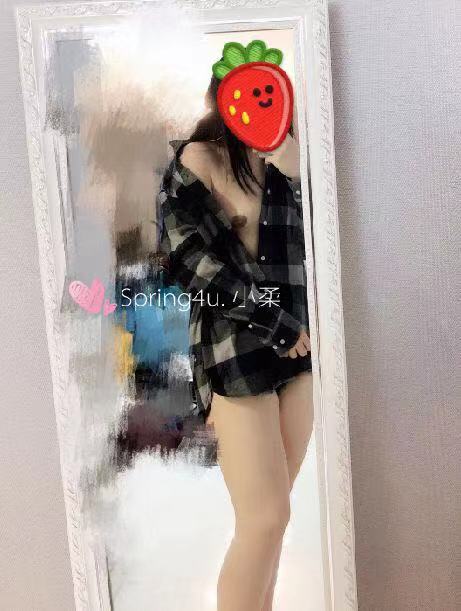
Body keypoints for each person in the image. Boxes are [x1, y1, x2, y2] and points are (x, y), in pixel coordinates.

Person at [158, 72, 314, 611]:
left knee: (274, 519)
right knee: (264, 517)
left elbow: (320, 247)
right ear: (221, 99)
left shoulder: (290, 157)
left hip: (302, 352)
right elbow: (192, 266)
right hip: (236, 349)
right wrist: (278, 323)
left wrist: (297, 171)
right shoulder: (196, 159)